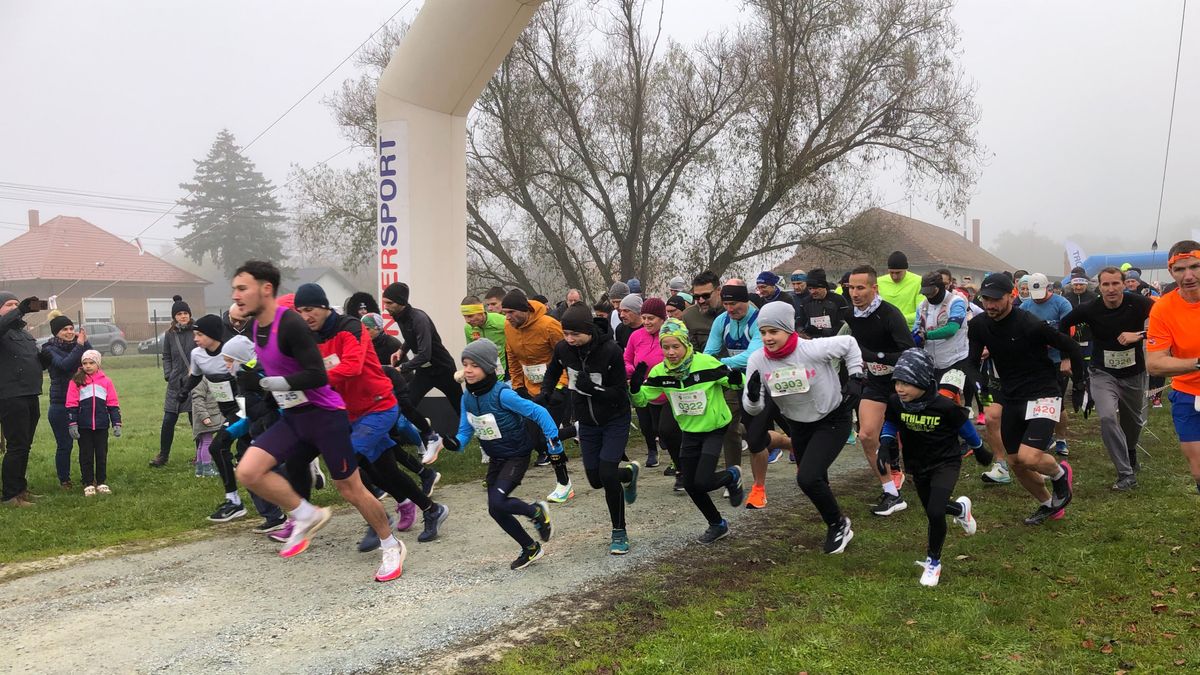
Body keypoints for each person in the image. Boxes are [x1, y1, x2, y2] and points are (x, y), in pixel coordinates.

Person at [231, 260, 406, 583]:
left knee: (350, 488)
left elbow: (314, 375)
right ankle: (305, 514)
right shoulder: (257, 327)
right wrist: (256, 379)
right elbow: (277, 369)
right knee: (248, 471)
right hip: (295, 418)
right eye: (234, 289)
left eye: (242, 288)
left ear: (265, 289)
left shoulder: (291, 324)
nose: (236, 296)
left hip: (325, 416)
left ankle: (390, 544)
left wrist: (268, 385)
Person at [294, 282, 450, 550]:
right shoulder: (311, 337)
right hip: (352, 412)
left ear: (323, 306)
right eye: (300, 311)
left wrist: (311, 379)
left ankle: (377, 520)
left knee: (348, 464)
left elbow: (352, 367)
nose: (305, 316)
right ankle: (432, 509)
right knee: (385, 470)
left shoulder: (351, 327)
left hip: (379, 406)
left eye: (309, 309)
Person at [743, 301, 862, 553]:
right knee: (816, 478)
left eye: (773, 331)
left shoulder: (811, 349)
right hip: (798, 424)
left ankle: (838, 524)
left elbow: (849, 344)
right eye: (763, 332)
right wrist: (753, 397)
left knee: (807, 478)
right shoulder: (758, 360)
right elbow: (753, 409)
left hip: (832, 419)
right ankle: (834, 518)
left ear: (788, 329)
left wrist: (856, 377)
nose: (767, 338)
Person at [967, 272, 1085, 526]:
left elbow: (1071, 346)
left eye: (996, 299)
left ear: (1010, 296)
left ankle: (1060, 472)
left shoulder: (1029, 322)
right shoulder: (978, 326)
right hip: (1012, 395)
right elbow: (971, 363)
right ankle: (1049, 505)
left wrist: (1081, 383)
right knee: (1016, 462)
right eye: (985, 299)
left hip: (1044, 392)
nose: (990, 305)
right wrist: (981, 387)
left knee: (1030, 457)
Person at [880, 349, 989, 586]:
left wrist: (979, 448)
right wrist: (885, 443)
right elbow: (890, 422)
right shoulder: (896, 403)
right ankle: (961, 509)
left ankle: (933, 562)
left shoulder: (944, 406)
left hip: (945, 462)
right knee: (932, 506)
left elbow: (965, 427)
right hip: (917, 464)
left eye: (906, 383)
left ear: (922, 381)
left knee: (935, 512)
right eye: (897, 382)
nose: (900, 388)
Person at [632, 319, 745, 543]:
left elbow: (735, 382)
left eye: (676, 346)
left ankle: (732, 475)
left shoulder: (705, 363)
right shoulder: (660, 372)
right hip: (689, 431)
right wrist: (634, 388)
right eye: (666, 347)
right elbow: (644, 398)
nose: (671, 352)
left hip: (714, 428)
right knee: (690, 483)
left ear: (686, 344)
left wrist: (735, 379)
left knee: (702, 481)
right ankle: (718, 524)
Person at [544, 304, 641, 555]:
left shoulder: (609, 350)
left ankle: (619, 531)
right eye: (566, 334)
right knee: (596, 479)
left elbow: (621, 393)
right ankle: (628, 475)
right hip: (586, 422)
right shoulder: (564, 348)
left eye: (575, 334)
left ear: (588, 330)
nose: (570, 339)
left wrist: (593, 389)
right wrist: (546, 392)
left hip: (614, 419)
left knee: (607, 475)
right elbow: (553, 369)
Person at [454, 339, 556, 569]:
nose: (468, 370)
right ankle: (530, 548)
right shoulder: (467, 397)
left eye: (474, 365)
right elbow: (464, 431)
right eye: (465, 364)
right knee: (495, 508)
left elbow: (538, 412)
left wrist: (553, 440)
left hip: (516, 455)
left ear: (489, 368)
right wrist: (451, 444)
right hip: (496, 457)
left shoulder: (503, 395)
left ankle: (536, 511)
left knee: (498, 501)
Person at [1060, 267, 1153, 490]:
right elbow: (1063, 325)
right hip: (1102, 373)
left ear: (1124, 284)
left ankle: (1130, 451)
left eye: (1115, 284)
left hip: (1134, 373)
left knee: (1133, 422)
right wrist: (1066, 357)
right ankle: (1125, 474)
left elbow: (1166, 322)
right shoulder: (1091, 308)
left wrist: (1140, 335)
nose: (1111, 289)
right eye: (1106, 285)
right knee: (1108, 418)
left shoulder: (1140, 303)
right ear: (1099, 287)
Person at [844, 264, 916, 516]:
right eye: (851, 287)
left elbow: (908, 352)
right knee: (866, 435)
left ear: (874, 288)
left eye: (860, 287)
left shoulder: (890, 314)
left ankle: (925, 474)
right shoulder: (850, 315)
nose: (854, 293)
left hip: (901, 382)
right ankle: (891, 493)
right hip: (875, 382)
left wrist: (876, 356)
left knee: (914, 437)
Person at [501, 289, 574, 498]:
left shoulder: (549, 325)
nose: (507, 317)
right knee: (537, 441)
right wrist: (518, 387)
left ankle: (564, 484)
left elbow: (567, 357)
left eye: (511, 312)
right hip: (530, 389)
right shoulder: (509, 327)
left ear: (524, 310)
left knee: (548, 438)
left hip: (555, 389)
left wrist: (561, 387)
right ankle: (577, 430)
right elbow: (512, 357)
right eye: (505, 313)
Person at [703, 282, 770, 505]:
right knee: (729, 427)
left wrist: (720, 363)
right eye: (726, 304)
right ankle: (735, 474)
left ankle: (792, 446)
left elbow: (752, 356)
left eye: (734, 304)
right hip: (732, 379)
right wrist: (710, 365)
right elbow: (709, 352)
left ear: (746, 301)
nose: (730, 309)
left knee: (758, 433)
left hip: (761, 379)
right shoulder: (721, 321)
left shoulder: (759, 319)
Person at [1146, 240, 1200, 495]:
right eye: (1180, 270)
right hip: (1189, 394)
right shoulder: (1164, 308)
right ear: (1171, 272)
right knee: (1199, 468)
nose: (1188, 276)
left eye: (1195, 267)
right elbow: (1155, 363)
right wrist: (1197, 364)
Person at [382, 282, 462, 417]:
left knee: (460, 408)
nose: (386, 307)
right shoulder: (400, 316)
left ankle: (477, 434)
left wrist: (400, 368)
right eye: (385, 303)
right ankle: (420, 434)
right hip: (424, 372)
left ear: (401, 302)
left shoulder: (419, 319)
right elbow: (411, 336)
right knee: (405, 406)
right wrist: (401, 350)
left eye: (389, 303)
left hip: (444, 369)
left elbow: (425, 355)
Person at [1020, 273, 1076, 456]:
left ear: (1049, 288)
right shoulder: (1025, 306)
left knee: (1057, 403)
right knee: (1035, 401)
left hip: (1057, 359)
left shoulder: (1061, 304)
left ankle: (1061, 440)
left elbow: (1070, 331)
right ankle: (1043, 437)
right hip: (1034, 361)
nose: (1038, 299)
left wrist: (1066, 358)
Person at [0, 292, 44, 507]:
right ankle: (9, 496)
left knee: (25, 445)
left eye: (17, 304)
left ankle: (20, 489)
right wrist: (21, 309)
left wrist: (48, 358)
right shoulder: (2, 331)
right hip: (11, 395)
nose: (15, 307)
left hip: (31, 393)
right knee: (16, 446)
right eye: (9, 304)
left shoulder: (24, 333)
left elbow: (35, 360)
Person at [41, 311, 91, 488]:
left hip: (83, 401)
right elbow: (65, 365)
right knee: (65, 444)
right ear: (56, 332)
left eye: (71, 328)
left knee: (86, 442)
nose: (69, 332)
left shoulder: (76, 345)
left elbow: (92, 358)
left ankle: (88, 477)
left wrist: (84, 342)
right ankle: (65, 480)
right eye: (64, 329)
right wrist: (79, 344)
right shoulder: (48, 349)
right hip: (60, 404)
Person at [912, 271, 973, 408]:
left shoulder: (957, 302)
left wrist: (926, 335)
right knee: (930, 403)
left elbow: (951, 329)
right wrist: (912, 339)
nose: (928, 296)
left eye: (931, 292)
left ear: (940, 287)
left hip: (955, 361)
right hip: (931, 363)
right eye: (925, 293)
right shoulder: (922, 306)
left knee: (944, 400)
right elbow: (916, 330)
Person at [66, 349, 121, 496]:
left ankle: (101, 481)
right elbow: (71, 404)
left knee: (101, 454)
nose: (88, 366)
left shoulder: (106, 382)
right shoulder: (76, 381)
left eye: (91, 363)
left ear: (98, 364)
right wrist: (73, 424)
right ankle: (88, 482)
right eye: (85, 363)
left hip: (102, 425)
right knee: (86, 455)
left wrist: (116, 423)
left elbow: (113, 404)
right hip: (84, 426)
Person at [623, 297, 670, 468]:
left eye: (651, 318)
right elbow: (626, 359)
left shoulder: (669, 335)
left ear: (662, 319)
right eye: (644, 318)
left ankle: (670, 448)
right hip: (641, 387)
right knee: (645, 424)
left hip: (665, 389)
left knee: (664, 426)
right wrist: (632, 372)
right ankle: (652, 450)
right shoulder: (636, 336)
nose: (646, 322)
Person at [149, 295, 195, 467]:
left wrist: (197, 372)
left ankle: (201, 454)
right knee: (168, 420)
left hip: (194, 382)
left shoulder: (196, 331)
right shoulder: (170, 335)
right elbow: (166, 356)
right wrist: (168, 374)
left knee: (195, 420)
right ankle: (163, 455)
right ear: (174, 317)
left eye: (185, 313)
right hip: (175, 382)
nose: (183, 316)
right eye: (179, 313)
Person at [796, 269, 848, 338]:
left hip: (834, 341)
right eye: (810, 288)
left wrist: (822, 331)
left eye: (816, 288)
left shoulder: (838, 300)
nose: (812, 292)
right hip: (813, 342)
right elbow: (799, 324)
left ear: (824, 286)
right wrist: (803, 332)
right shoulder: (805, 302)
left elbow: (844, 326)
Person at [878, 251, 923, 327]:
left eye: (898, 273)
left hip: (909, 331)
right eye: (891, 273)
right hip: (885, 330)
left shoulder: (919, 281)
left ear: (906, 269)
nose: (894, 276)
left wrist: (900, 319)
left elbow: (922, 311)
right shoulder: (879, 282)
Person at [681, 270, 721, 352]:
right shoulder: (689, 316)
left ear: (718, 290)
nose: (701, 300)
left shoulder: (737, 309)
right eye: (696, 297)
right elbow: (692, 352)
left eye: (706, 295)